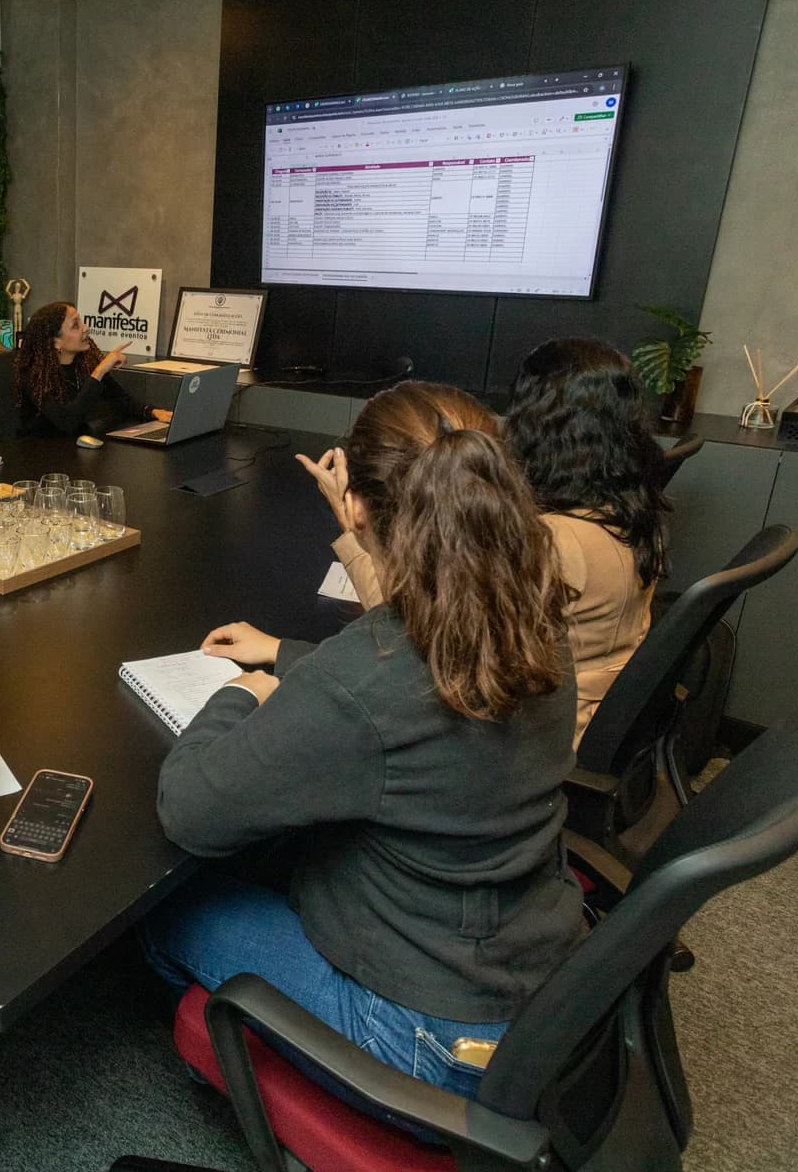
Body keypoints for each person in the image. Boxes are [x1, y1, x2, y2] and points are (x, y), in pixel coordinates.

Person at [144, 381, 581, 1116]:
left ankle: (231, 1068)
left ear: (356, 505)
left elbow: (187, 809)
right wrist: (290, 654)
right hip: (538, 986)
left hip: (427, 1042)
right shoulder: (535, 615)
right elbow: (418, 646)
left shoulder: (367, 682)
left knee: (172, 907)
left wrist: (244, 692)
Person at [318, 337, 669, 745]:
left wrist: (353, 528)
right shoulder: (623, 511)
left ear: (535, 421)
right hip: (572, 722)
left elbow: (418, 641)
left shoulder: (556, 545)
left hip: (527, 747)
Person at [13, 301, 170, 437]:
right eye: (75, 325)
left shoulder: (83, 362)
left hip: (76, 449)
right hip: (40, 456)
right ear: (56, 342)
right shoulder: (35, 374)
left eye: (81, 321)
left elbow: (121, 399)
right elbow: (67, 422)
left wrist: (154, 412)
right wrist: (100, 371)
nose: (86, 328)